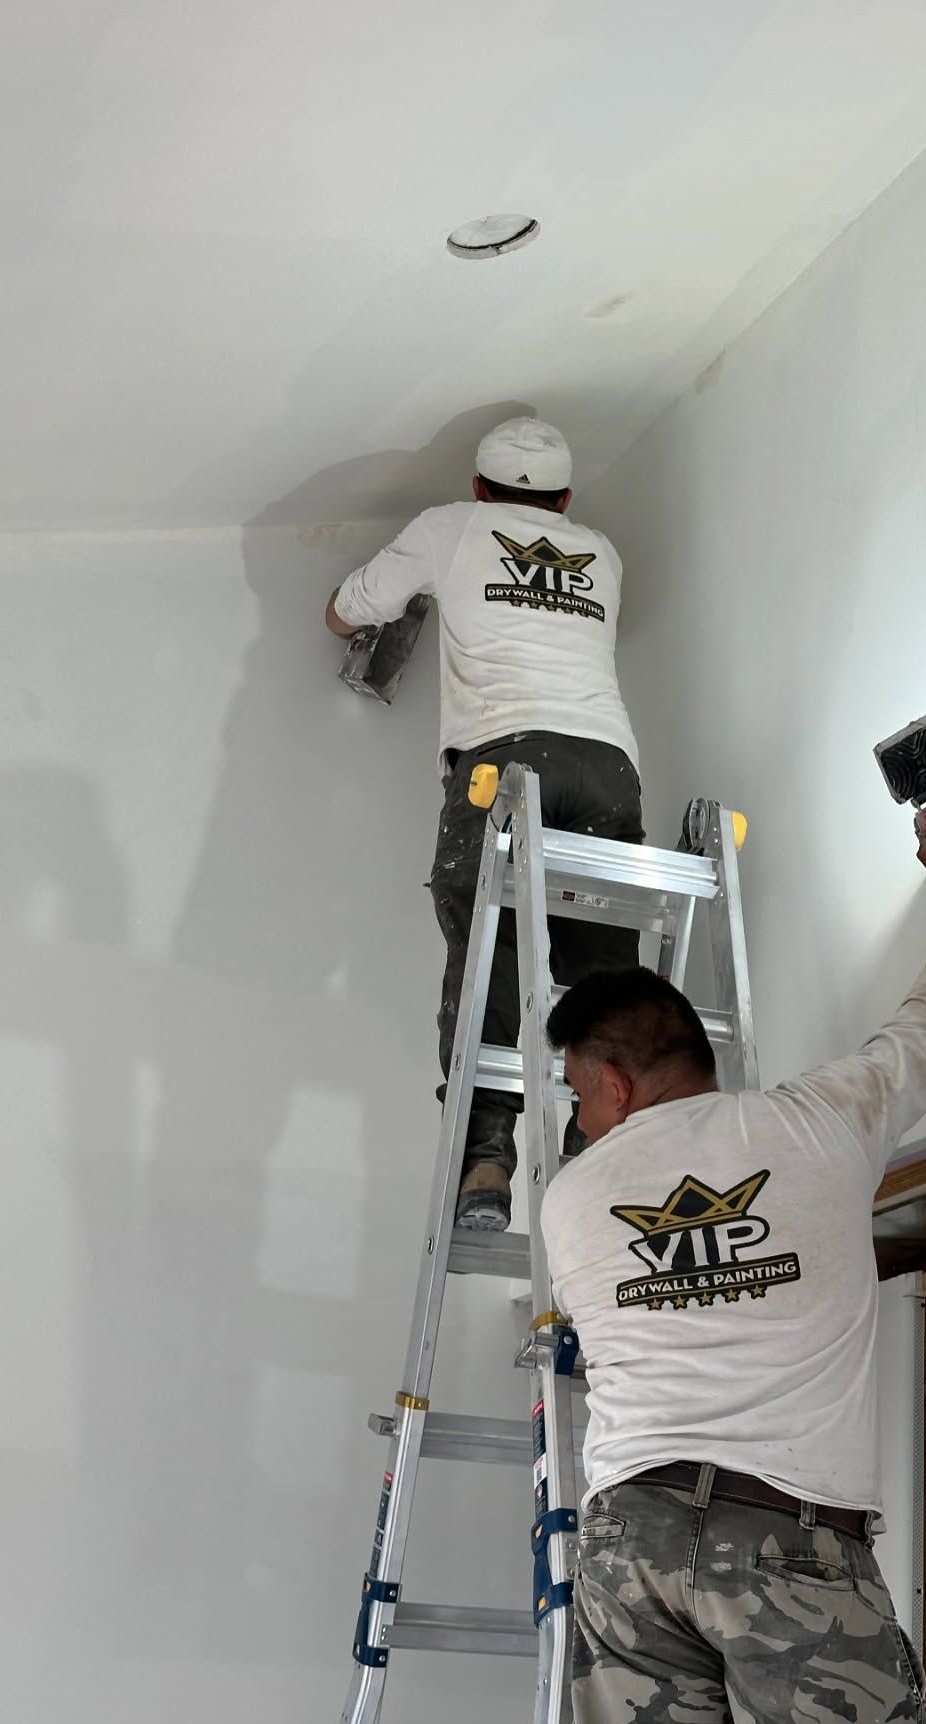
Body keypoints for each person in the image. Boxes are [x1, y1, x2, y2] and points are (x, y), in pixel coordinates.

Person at [541, 790, 926, 1724]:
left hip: (631, 1540)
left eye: (579, 1096)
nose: (580, 1123)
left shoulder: (572, 1200)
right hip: (786, 1545)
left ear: (616, 1085)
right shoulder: (817, 1128)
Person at [326, 417, 642, 1231]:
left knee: (487, 949)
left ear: (478, 488)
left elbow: (345, 609)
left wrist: (366, 610)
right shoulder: (600, 553)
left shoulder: (450, 526)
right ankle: (595, 1134)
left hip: (506, 764)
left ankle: (487, 1159)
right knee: (600, 961)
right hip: (608, 765)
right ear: (566, 500)